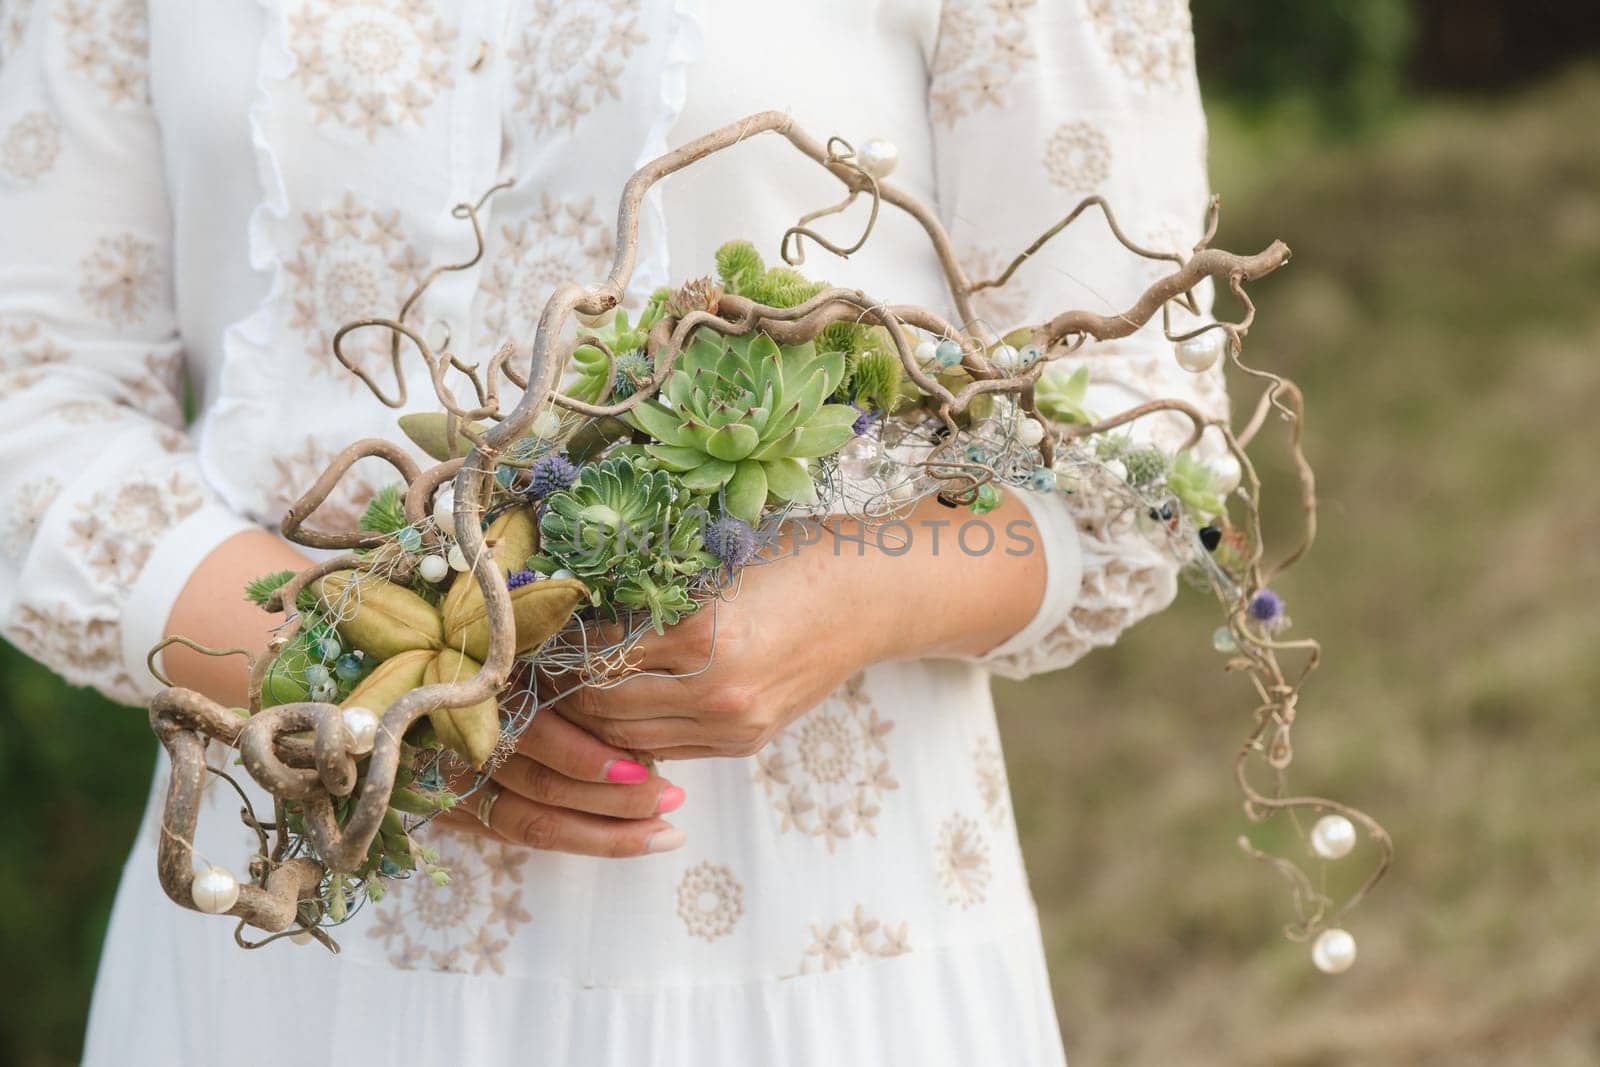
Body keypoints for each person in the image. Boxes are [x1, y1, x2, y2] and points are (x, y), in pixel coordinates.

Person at [0, 1, 1226, 1063]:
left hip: (797, 915)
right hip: (299, 889)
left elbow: (1130, 430)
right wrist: (354, 683)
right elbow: (31, 393)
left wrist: (833, 604)